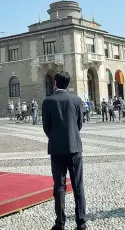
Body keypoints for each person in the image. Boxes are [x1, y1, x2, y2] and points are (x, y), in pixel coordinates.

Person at [42, 71, 87, 230]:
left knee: (59, 186)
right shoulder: (76, 100)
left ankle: (60, 223)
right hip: (74, 147)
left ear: (55, 82)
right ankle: (81, 223)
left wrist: (55, 137)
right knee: (78, 185)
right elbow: (79, 124)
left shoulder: (48, 101)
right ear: (68, 83)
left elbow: (46, 127)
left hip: (56, 149)